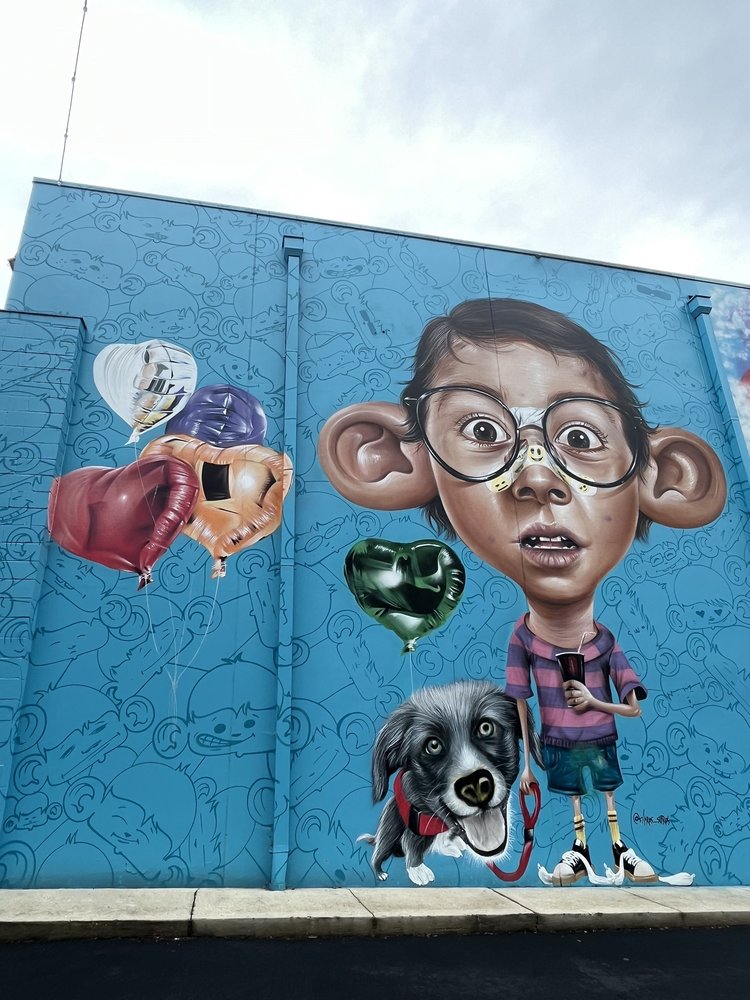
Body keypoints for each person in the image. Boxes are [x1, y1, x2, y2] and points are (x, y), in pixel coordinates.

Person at [319, 297, 726, 885]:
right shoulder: (523, 642)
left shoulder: (605, 644)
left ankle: (617, 849)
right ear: (389, 458)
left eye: (580, 437)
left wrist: (600, 708)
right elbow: (517, 702)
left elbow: (632, 701)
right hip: (556, 747)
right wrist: (528, 764)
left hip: (598, 738)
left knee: (605, 795)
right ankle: (578, 849)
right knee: (578, 796)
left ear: (666, 475)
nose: (537, 476)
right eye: (483, 431)